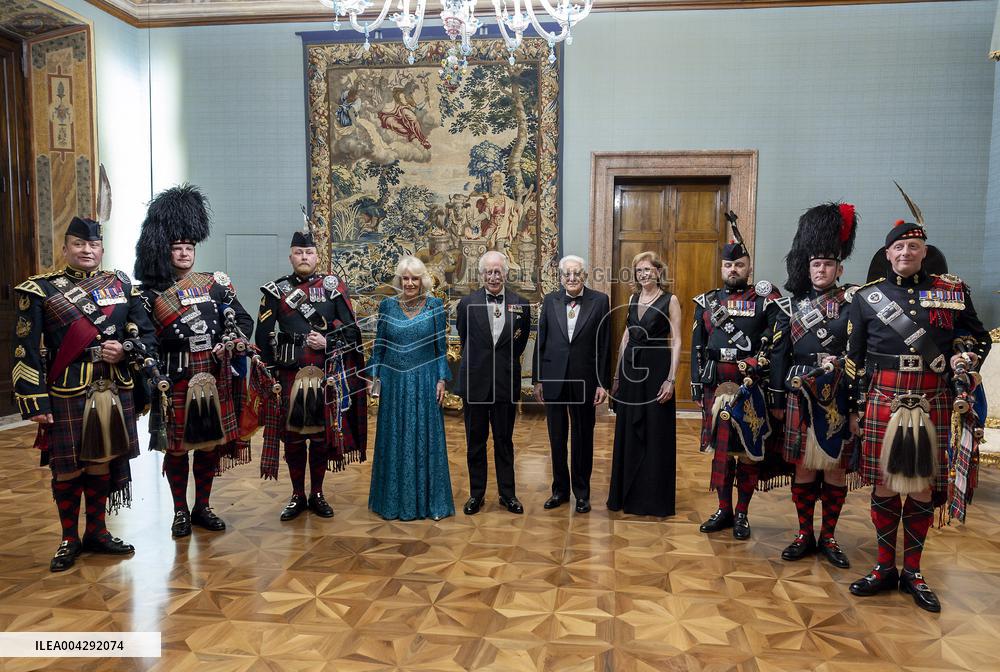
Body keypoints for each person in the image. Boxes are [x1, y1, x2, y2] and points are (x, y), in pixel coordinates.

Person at [845, 218, 990, 612]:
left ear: (924, 252)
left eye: (913, 246)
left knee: (923, 487)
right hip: (883, 397)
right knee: (886, 486)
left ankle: (913, 571)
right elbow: (854, 360)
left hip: (933, 397)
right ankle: (882, 567)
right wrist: (857, 408)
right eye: (898, 247)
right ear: (887, 254)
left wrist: (966, 354)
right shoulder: (866, 297)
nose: (905, 253)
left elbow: (977, 336)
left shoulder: (951, 290)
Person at [13, 216, 158, 571]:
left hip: (113, 385)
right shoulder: (40, 289)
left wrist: (125, 348)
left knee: (102, 462)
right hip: (66, 389)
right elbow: (25, 349)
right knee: (67, 468)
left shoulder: (123, 287)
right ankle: (68, 538)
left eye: (93, 245)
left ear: (102, 249)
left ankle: (97, 532)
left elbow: (147, 336)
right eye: (79, 244)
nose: (86, 250)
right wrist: (34, 399)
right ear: (65, 249)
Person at [133, 185, 255, 538]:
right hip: (174, 377)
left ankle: (202, 506)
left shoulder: (215, 285)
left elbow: (243, 321)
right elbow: (145, 339)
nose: (185, 253)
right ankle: (180, 512)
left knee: (209, 446)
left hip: (212, 376)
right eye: (177, 248)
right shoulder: (149, 294)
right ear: (165, 251)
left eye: (189, 248)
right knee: (176, 450)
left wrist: (230, 342)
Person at [254, 226, 367, 521]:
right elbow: (263, 335)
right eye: (299, 252)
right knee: (292, 439)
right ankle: (297, 495)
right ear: (291, 257)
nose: (304, 256)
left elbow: (353, 333)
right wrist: (270, 377)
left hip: (323, 374)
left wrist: (328, 341)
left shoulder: (333, 289)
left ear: (318, 256)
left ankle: (317, 493)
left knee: (319, 437)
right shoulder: (276, 291)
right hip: (288, 374)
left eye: (309, 252)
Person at [770, 203, 859, 568]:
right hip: (799, 396)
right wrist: (777, 396)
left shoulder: (854, 303)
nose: (821, 270)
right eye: (815, 265)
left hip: (837, 397)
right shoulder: (790, 308)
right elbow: (778, 355)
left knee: (834, 469)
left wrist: (856, 406)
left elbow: (861, 353)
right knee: (804, 468)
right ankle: (805, 533)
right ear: (807, 268)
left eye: (827, 265)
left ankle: (829, 537)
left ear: (839, 268)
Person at [691, 216, 786, 540]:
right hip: (716, 385)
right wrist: (695, 382)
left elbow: (776, 343)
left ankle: (742, 513)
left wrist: (773, 390)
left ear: (749, 267)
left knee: (747, 453)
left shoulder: (764, 302)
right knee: (721, 453)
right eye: (728, 265)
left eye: (740, 265)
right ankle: (723, 509)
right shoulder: (707, 302)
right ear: (722, 268)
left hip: (750, 386)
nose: (733, 270)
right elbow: (697, 344)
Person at [366, 256, 454, 520]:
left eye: (415, 278)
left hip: (425, 382)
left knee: (424, 439)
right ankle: (391, 503)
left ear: (422, 281)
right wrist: (373, 377)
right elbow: (379, 346)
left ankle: (430, 503)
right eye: (405, 278)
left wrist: (441, 379)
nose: (410, 283)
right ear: (399, 280)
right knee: (394, 438)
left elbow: (441, 348)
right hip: (394, 384)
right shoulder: (387, 306)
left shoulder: (435, 306)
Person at [532, 255, 611, 514]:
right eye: (567, 274)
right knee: (557, 438)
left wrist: (602, 383)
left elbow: (604, 345)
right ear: (561, 277)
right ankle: (560, 491)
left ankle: (582, 493)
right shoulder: (550, 300)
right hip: (554, 378)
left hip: (584, 380)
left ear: (585, 276)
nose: (572, 278)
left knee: (582, 437)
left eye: (577, 274)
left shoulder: (600, 301)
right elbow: (541, 341)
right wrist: (538, 379)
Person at [455, 251, 531, 515]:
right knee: (475, 440)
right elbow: (465, 340)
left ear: (506, 273)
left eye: (498, 271)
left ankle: (507, 494)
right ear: (481, 274)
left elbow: (518, 344)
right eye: (489, 271)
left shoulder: (521, 304)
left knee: (504, 440)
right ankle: (477, 495)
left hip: (505, 383)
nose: (493, 276)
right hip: (475, 382)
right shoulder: (466, 304)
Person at [606, 251, 681, 517]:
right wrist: (616, 376)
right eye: (639, 271)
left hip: (656, 371)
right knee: (628, 432)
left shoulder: (670, 300)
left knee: (655, 434)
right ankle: (626, 494)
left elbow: (677, 340)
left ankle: (652, 500)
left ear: (658, 272)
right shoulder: (632, 298)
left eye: (648, 270)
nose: (643, 274)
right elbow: (626, 337)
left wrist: (671, 379)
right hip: (630, 373)